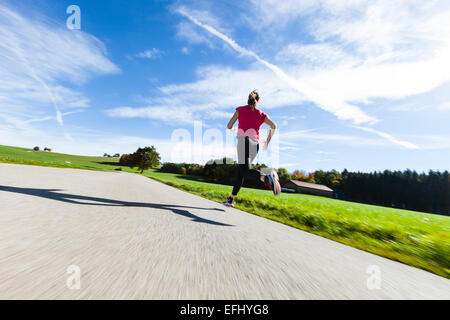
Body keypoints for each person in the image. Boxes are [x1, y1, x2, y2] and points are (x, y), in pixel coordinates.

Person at [222, 90, 281, 208]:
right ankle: (231, 199)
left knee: (244, 171)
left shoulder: (240, 110)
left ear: (247, 99)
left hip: (243, 142)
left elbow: (229, 125)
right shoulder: (261, 114)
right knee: (241, 172)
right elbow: (274, 126)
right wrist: (267, 141)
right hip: (255, 144)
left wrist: (233, 128)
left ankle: (267, 175)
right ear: (257, 101)